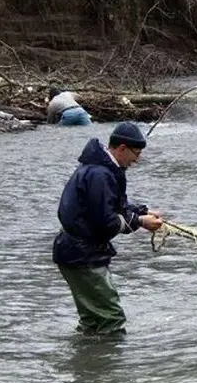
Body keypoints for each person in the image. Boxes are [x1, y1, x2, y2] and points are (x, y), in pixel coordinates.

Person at [53, 122, 164, 336]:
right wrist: (140, 222)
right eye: (136, 153)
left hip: (74, 252)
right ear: (122, 148)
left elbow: (114, 206)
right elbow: (106, 221)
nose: (137, 160)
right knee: (111, 318)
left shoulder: (101, 169)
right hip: (82, 254)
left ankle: (87, 362)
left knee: (92, 319)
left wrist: (143, 212)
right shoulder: (100, 175)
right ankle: (110, 365)